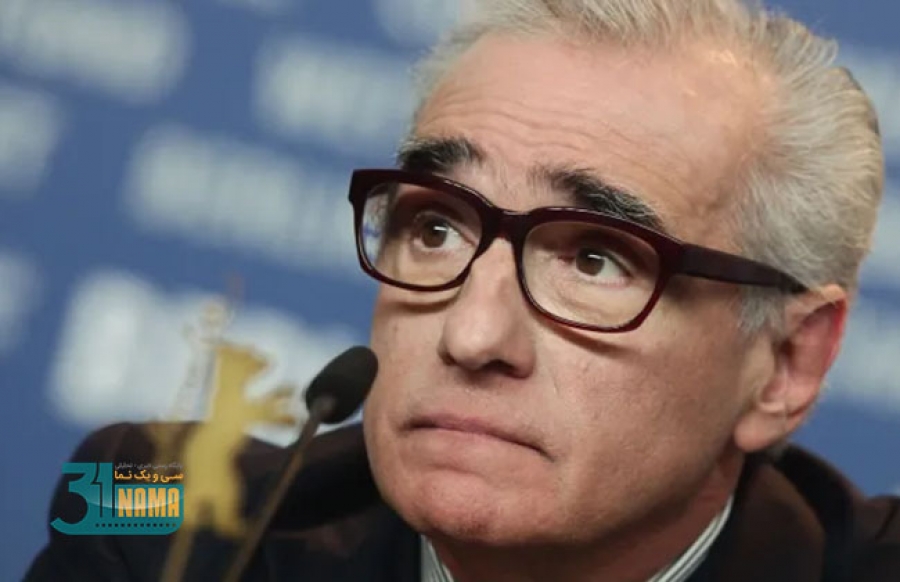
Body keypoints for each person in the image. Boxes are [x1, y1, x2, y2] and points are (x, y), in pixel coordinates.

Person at [26, 0, 900, 581]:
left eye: (597, 259)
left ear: (786, 364)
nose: (471, 336)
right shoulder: (150, 517)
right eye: (437, 228)